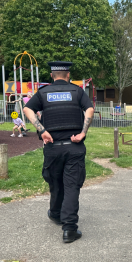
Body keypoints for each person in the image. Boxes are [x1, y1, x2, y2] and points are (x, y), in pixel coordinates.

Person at [23, 61, 94, 244]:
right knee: (71, 186)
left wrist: (41, 130)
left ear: (52, 75)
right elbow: (90, 109)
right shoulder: (77, 91)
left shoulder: (43, 93)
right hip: (74, 146)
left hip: (53, 147)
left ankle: (56, 214)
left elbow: (27, 109)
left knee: (55, 182)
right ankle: (69, 229)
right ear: (68, 75)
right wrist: (83, 132)